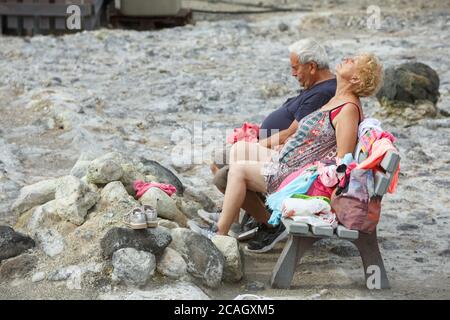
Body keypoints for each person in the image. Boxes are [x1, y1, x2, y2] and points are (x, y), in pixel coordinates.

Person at [190, 53, 384, 253]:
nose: (347, 58)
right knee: (237, 151)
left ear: (355, 79)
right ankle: (255, 216)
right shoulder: (339, 98)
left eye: (353, 61)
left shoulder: (348, 109)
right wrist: (285, 146)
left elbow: (341, 161)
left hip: (300, 176)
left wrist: (304, 165)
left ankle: (218, 235)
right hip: (291, 161)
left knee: (238, 171)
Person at [201, 39, 337, 244]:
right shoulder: (319, 87)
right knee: (231, 155)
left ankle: (232, 230)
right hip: (288, 153)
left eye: (295, 68)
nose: (293, 73)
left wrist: (259, 144)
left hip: (294, 160)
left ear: (311, 67)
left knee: (233, 164)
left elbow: (291, 133)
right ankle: (233, 219)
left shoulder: (323, 92)